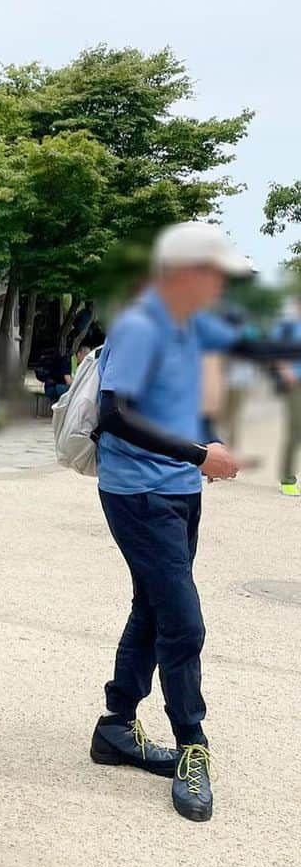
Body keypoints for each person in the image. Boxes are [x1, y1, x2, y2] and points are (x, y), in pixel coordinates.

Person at [88, 222, 301, 823]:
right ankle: (192, 747)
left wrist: (209, 439)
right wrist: (199, 454)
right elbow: (114, 415)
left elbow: (195, 398)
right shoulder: (141, 324)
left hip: (180, 492)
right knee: (183, 622)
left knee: (154, 607)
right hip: (139, 493)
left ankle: (115, 727)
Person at [271, 298, 301, 496]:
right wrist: (284, 371)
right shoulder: (288, 327)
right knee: (295, 430)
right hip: (295, 386)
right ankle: (287, 478)